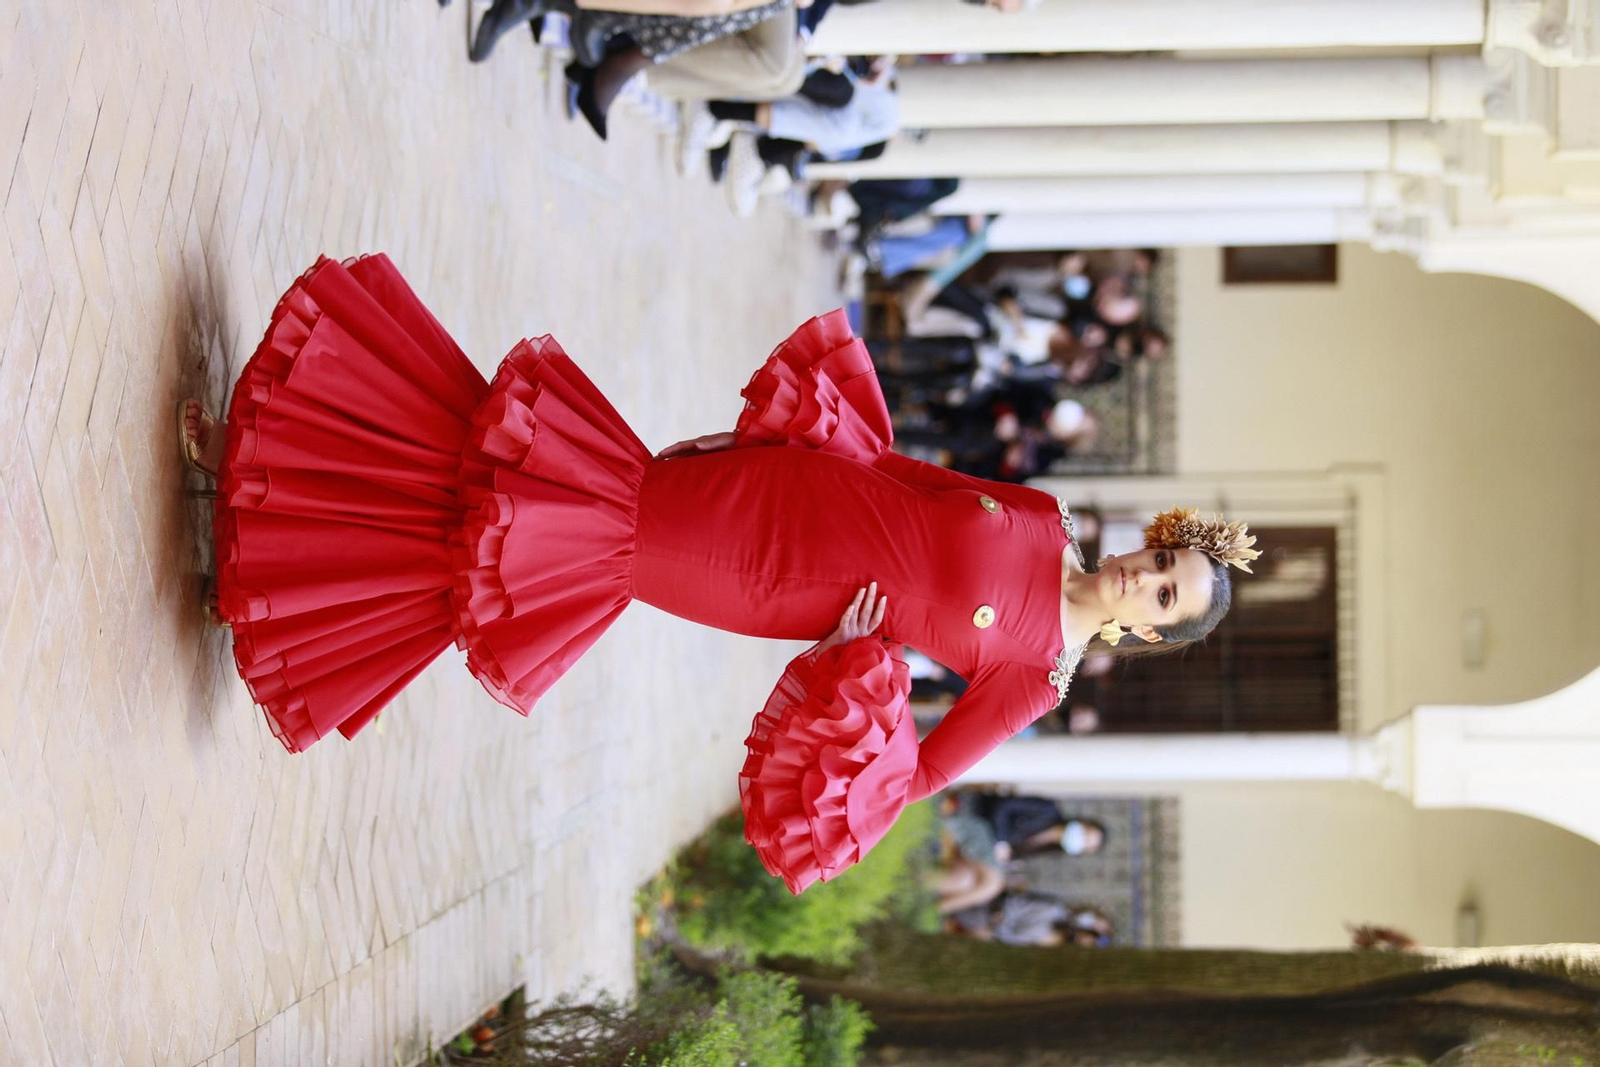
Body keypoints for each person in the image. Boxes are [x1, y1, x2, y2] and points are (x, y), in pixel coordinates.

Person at [177, 254, 1258, 894]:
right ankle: (278, 455)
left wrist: (852, 676)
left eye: (1162, 593)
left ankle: (280, 512)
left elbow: (913, 779)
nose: (1142, 575)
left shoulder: (1035, 678)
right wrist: (772, 446)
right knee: (522, 483)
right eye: (1162, 558)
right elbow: (898, 469)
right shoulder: (1043, 514)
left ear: (1151, 634)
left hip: (771, 578)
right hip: (785, 493)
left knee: (540, 531)